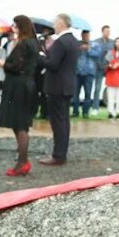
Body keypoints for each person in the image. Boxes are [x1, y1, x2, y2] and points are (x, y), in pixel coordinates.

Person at [0, 15, 40, 176]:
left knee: (20, 125)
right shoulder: (33, 43)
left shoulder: (24, 44)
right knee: (19, 124)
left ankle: (22, 163)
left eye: (15, 25)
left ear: (21, 27)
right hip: (26, 84)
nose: (13, 28)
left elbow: (14, 66)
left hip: (19, 86)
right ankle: (22, 161)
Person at [38, 14, 79, 165]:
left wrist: (40, 57)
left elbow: (53, 64)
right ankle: (61, 153)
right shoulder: (73, 40)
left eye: (55, 23)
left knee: (58, 122)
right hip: (66, 85)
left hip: (57, 86)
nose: (53, 26)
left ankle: (58, 155)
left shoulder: (61, 42)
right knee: (64, 121)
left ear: (61, 24)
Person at [72, 29, 101, 118]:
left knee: (87, 94)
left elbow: (97, 54)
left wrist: (88, 49)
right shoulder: (77, 44)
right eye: (84, 35)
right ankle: (75, 112)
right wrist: (79, 49)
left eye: (87, 35)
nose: (85, 37)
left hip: (89, 73)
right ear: (81, 35)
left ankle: (85, 112)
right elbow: (72, 54)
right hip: (78, 72)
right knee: (75, 93)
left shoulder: (95, 45)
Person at [92, 25, 113, 112]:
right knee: (97, 88)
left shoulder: (112, 42)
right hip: (98, 68)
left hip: (109, 69)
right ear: (102, 32)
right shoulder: (96, 42)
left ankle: (111, 109)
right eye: (106, 31)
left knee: (111, 89)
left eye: (109, 31)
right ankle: (95, 108)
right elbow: (93, 55)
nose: (108, 33)